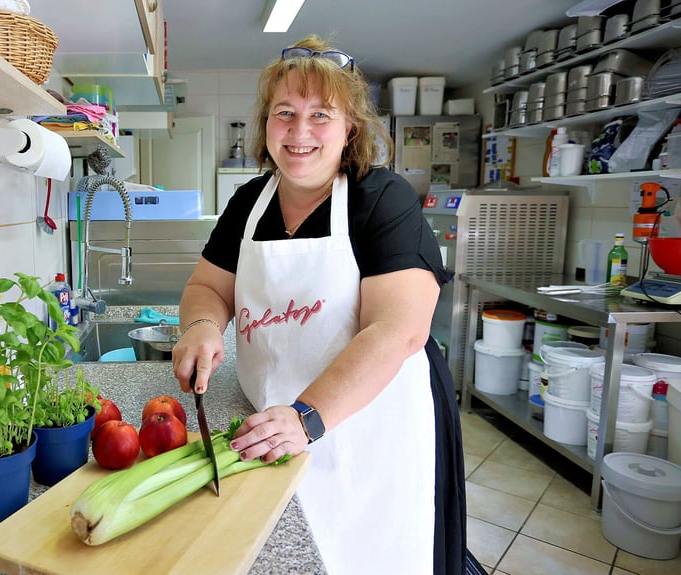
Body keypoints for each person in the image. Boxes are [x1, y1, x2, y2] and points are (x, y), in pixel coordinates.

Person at [172, 35, 466, 575]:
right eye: (285, 113)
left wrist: (308, 416)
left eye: (321, 115)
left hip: (369, 428)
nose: (300, 131)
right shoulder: (248, 202)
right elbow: (209, 287)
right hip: (271, 422)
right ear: (266, 123)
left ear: (350, 126)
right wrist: (201, 325)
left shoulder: (382, 199)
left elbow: (397, 329)